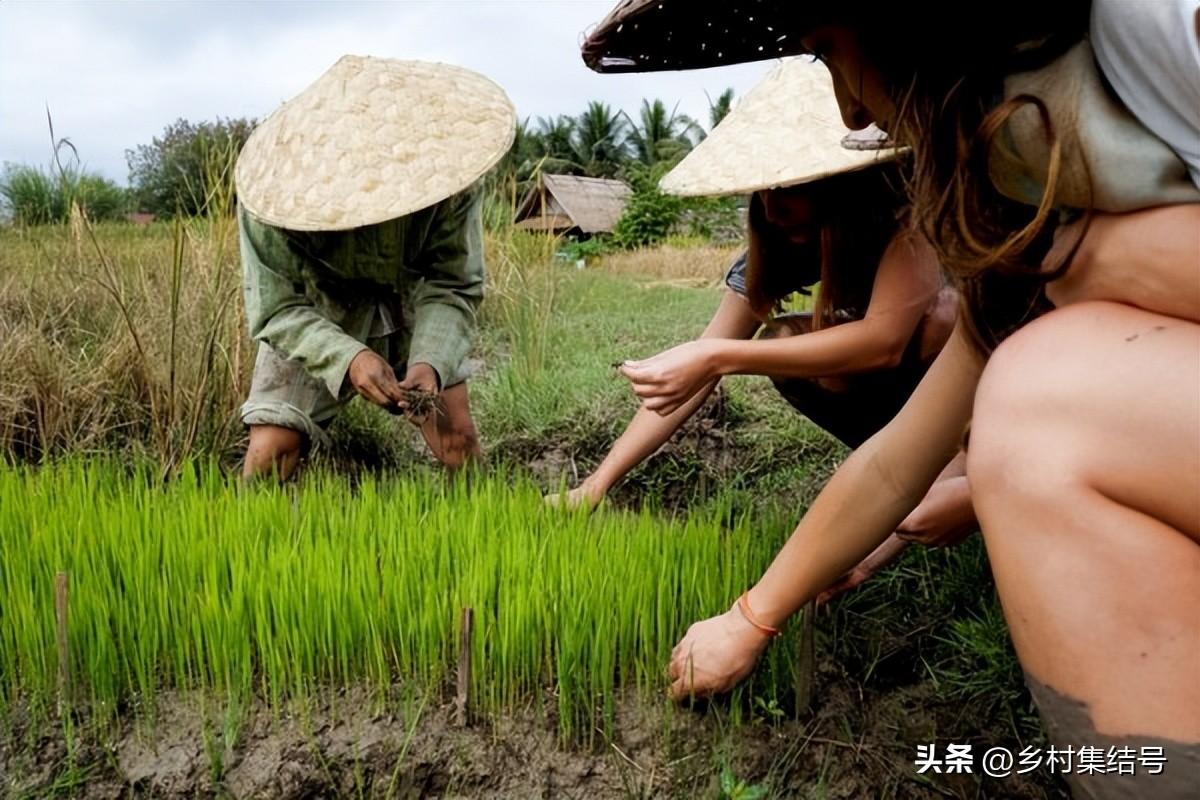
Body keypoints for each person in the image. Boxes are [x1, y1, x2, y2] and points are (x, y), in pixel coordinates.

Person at [583, 2, 1200, 796]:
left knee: (1037, 399)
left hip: (1052, 397)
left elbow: (885, 346)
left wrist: (1093, 258)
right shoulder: (1012, 184)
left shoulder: (1156, 31)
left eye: (833, 52)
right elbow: (894, 459)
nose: (847, 107)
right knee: (1031, 398)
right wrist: (752, 614)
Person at [551, 61, 968, 570]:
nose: (771, 207)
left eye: (790, 187)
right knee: (784, 336)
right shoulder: (772, 251)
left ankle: (954, 467)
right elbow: (690, 382)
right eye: (763, 189)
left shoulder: (908, 224)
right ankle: (896, 470)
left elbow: (882, 342)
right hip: (890, 409)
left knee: (945, 318)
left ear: (837, 184)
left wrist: (720, 357)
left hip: (972, 393)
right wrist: (597, 484)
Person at [234, 56, 516, 479]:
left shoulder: (448, 185)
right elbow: (276, 308)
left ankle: (491, 532)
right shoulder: (272, 203)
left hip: (413, 302)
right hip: (318, 310)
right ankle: (248, 539)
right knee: (272, 450)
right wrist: (349, 358)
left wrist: (430, 362)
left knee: (456, 438)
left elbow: (451, 283)